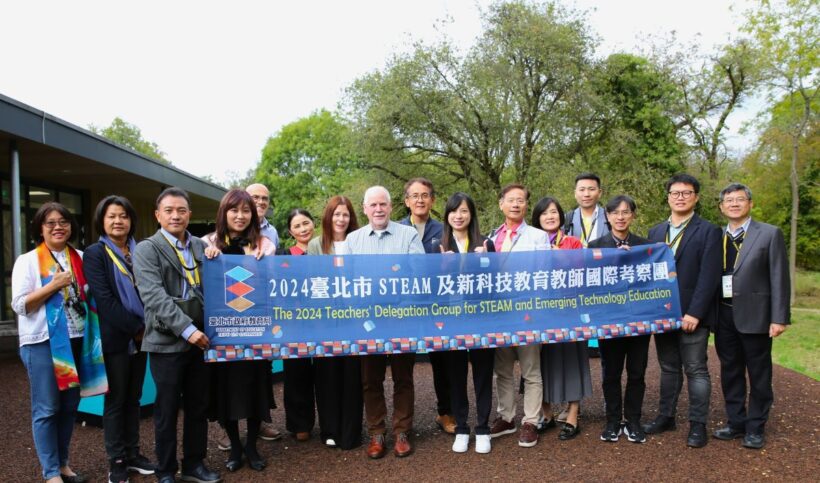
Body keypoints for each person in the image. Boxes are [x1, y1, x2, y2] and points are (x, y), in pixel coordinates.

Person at [12, 202, 106, 483]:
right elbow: (19, 305)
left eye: (63, 221)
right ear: (40, 228)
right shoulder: (27, 261)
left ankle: (63, 464)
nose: (58, 227)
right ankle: (50, 472)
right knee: (47, 408)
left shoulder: (80, 256)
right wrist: (53, 285)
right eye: (50, 222)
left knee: (68, 407)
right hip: (42, 343)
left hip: (78, 340)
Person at [133, 187, 221, 483]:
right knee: (167, 410)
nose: (175, 215)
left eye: (181, 210)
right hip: (167, 342)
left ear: (189, 215)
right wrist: (188, 330)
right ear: (157, 215)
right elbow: (154, 297)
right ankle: (166, 470)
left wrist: (216, 256)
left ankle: (194, 464)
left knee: (198, 406)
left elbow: (215, 283)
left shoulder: (201, 246)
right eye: (169, 210)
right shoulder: (147, 249)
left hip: (201, 341)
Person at [340, 186, 424, 458]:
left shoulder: (408, 234)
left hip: (402, 317)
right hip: (368, 321)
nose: (378, 209)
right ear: (364, 208)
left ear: (391, 207)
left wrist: (403, 308)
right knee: (370, 379)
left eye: (383, 204)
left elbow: (420, 275)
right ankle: (377, 433)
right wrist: (359, 314)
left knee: (403, 377)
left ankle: (402, 431)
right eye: (373, 205)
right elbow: (347, 282)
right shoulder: (352, 240)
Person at [644, 174, 721, 448]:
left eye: (686, 193)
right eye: (675, 192)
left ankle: (698, 425)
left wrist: (696, 313)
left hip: (692, 315)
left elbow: (709, 277)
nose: (680, 197)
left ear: (696, 197)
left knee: (696, 369)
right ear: (668, 197)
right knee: (668, 368)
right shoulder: (655, 232)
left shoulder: (709, 230)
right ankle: (666, 417)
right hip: (662, 314)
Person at [84, 196, 156, 482]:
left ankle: (133, 453)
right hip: (117, 339)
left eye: (123, 216)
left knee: (134, 398)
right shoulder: (95, 253)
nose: (118, 221)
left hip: (144, 335)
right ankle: (117, 460)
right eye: (112, 216)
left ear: (131, 220)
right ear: (102, 221)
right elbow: (105, 299)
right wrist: (136, 328)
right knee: (116, 400)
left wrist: (146, 328)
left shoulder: (142, 251)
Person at [712, 183, 790, 449]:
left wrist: (779, 317)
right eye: (729, 200)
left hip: (756, 316)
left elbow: (780, 277)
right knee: (730, 372)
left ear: (750, 203)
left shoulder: (769, 234)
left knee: (759, 374)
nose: (734, 203)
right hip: (723, 315)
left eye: (740, 199)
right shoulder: (717, 235)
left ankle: (756, 427)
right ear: (721, 207)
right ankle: (736, 422)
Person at [202, 189, 275, 472]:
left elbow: (274, 281)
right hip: (223, 331)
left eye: (246, 211)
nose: (241, 216)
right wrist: (209, 258)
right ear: (224, 212)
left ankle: (252, 446)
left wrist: (266, 263)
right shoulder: (207, 243)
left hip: (256, 330)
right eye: (235, 210)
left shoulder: (263, 244)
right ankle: (234, 445)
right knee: (226, 391)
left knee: (256, 388)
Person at [488, 184, 549, 448]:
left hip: (528, 312)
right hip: (499, 314)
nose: (515, 204)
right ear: (501, 203)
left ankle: (531, 421)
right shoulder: (491, 237)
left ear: (526, 206)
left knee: (531, 370)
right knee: (502, 369)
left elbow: (545, 275)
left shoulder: (538, 237)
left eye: (520, 200)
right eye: (510, 200)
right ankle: (507, 417)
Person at [588, 195, 652, 444]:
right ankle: (613, 421)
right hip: (609, 321)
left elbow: (652, 285)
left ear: (633, 215)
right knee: (611, 373)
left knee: (637, 373)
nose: (621, 217)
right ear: (607, 216)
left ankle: (633, 421)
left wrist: (632, 261)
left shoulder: (645, 246)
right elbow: (589, 284)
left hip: (638, 321)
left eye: (626, 212)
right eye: (615, 213)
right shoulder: (595, 246)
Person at [439, 192, 496, 454]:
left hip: (481, 318)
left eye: (463, 211)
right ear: (447, 215)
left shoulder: (486, 243)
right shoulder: (436, 245)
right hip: (452, 320)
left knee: (483, 373)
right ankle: (462, 427)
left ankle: (482, 428)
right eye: (453, 211)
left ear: (471, 214)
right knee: (456, 374)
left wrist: (485, 263)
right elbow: (430, 288)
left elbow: (496, 285)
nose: (458, 216)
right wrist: (443, 267)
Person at [398, 178, 455, 434]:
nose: (420, 200)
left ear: (432, 200)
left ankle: (445, 412)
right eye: (415, 196)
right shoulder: (395, 229)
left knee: (443, 361)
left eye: (425, 195)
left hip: (437, 306)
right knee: (402, 365)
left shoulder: (445, 230)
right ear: (406, 201)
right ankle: (403, 423)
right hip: (404, 307)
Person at [307, 196, 364, 450]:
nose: (341, 219)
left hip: (355, 320)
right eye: (336, 214)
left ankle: (351, 431)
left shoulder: (359, 242)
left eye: (345, 215)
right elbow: (310, 282)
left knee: (353, 376)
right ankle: (329, 429)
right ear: (328, 217)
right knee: (327, 374)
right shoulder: (316, 245)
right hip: (326, 320)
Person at [532, 196, 590, 441]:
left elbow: (583, 274)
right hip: (538, 311)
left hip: (569, 311)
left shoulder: (573, 243)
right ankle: (546, 413)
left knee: (571, 360)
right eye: (544, 213)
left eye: (554, 212)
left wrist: (561, 258)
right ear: (537, 218)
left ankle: (573, 414)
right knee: (537, 362)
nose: (550, 216)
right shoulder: (531, 242)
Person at [278, 209, 318, 441]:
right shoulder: (283, 255)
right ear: (291, 231)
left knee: (325, 374)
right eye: (297, 226)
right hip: (294, 322)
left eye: (306, 223)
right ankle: (300, 424)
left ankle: (329, 422)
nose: (303, 229)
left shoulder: (325, 251)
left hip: (324, 320)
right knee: (296, 373)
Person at [564, 173, 610, 359]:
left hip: (601, 281)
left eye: (591, 189)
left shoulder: (610, 216)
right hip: (573, 284)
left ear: (599, 192)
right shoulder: (566, 219)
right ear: (575, 193)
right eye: (582, 189)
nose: (586, 194)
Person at [246, 183, 280, 249]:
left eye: (265, 198)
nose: (261, 202)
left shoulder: (272, 232)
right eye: (255, 197)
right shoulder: (237, 227)